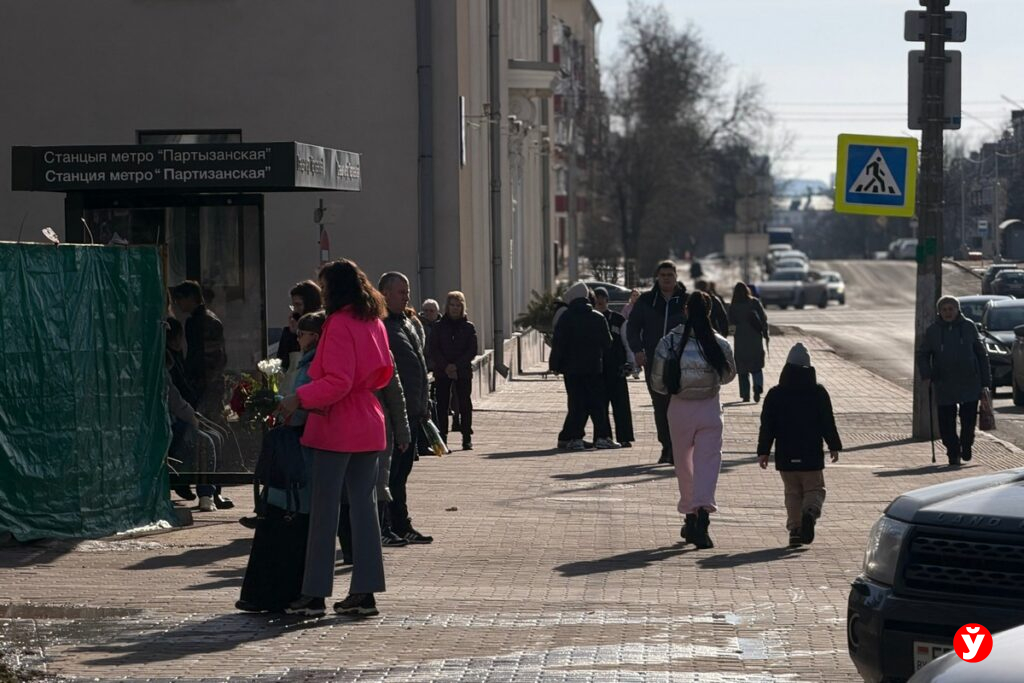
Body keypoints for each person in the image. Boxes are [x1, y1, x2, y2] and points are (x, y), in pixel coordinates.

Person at [278, 259, 393, 619]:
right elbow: (384, 372)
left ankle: (314, 594)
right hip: (369, 419)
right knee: (364, 510)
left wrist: (299, 398)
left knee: (324, 512)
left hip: (337, 424)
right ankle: (365, 591)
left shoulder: (339, 324)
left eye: (325, 286)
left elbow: (338, 381)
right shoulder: (373, 320)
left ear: (336, 289)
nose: (321, 292)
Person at [236, 311, 324, 612]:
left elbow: (302, 405)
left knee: (286, 518)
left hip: (299, 451)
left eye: (302, 333)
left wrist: (279, 406)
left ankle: (271, 593)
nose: (297, 337)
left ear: (314, 335)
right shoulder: (307, 361)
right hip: (298, 448)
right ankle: (270, 593)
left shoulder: (312, 364)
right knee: (284, 516)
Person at [650, 291, 736, 549]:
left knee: (684, 464)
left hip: (679, 409)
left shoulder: (669, 341)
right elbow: (729, 375)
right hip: (710, 408)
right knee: (708, 463)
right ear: (708, 312)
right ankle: (704, 519)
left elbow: (657, 381)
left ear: (685, 310)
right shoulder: (719, 342)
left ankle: (690, 516)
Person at [757, 342, 843, 547]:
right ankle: (810, 513)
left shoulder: (775, 394)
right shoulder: (818, 393)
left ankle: (795, 530)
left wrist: (763, 452)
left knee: (792, 493)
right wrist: (834, 445)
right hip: (811, 453)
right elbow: (827, 421)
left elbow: (767, 425)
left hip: (786, 454)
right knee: (815, 489)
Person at [378, 272, 434, 545]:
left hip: (411, 412)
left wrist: (423, 406)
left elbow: (418, 368)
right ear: (385, 293)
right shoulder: (383, 326)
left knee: (403, 473)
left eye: (407, 291)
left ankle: (401, 524)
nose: (407, 297)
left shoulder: (405, 323)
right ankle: (389, 525)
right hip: (393, 416)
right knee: (393, 474)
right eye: (401, 292)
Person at [338, 357, 412, 562]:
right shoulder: (336, 350)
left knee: (376, 486)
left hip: (376, 428)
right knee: (345, 493)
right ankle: (351, 550)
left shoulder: (381, 352)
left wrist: (402, 432)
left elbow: (396, 396)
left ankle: (371, 544)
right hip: (344, 429)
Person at [170, 280, 233, 510]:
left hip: (204, 388)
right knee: (212, 436)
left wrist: (195, 385)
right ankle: (212, 490)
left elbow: (201, 358)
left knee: (205, 437)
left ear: (190, 298)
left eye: (180, 299)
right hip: (209, 387)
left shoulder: (197, 322)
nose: (178, 305)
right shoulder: (207, 319)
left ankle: (208, 489)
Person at [915, 295, 991, 467]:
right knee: (946, 422)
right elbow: (923, 354)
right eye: (944, 310)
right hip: (944, 381)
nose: (948, 313)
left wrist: (985, 382)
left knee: (968, 419)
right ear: (939, 312)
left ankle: (966, 444)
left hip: (969, 380)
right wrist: (927, 374)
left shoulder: (968, 327)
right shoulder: (933, 330)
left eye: (951, 309)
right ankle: (953, 451)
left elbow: (981, 354)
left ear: (958, 310)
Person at [627, 261, 688, 464]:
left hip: (681, 362)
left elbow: (701, 327)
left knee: (679, 404)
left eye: (670, 274)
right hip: (654, 361)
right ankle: (667, 446)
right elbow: (633, 328)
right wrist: (637, 351)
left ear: (676, 276)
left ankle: (680, 447)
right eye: (662, 275)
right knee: (660, 405)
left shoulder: (685, 301)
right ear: (657, 277)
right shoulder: (646, 300)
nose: (667, 278)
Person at [549, 282, 617, 450]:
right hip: (593, 367)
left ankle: (575, 438)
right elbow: (607, 343)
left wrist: (555, 365)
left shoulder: (565, 317)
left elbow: (558, 344)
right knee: (597, 403)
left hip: (571, 370)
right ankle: (602, 437)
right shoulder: (598, 317)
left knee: (576, 403)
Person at [427, 292, 479, 451]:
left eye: (458, 305)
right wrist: (446, 366)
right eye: (452, 305)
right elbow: (433, 349)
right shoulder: (438, 326)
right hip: (442, 372)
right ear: (447, 307)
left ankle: (466, 437)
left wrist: (456, 365)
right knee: (442, 405)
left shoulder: (468, 327)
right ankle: (442, 438)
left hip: (462, 371)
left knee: (464, 404)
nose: (455, 309)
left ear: (462, 307)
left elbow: (472, 350)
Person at [593, 287, 635, 447]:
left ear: (607, 299)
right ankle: (603, 436)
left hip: (617, 368)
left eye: (602, 297)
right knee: (600, 405)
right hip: (598, 368)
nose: (600, 300)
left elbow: (627, 342)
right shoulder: (591, 319)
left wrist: (631, 363)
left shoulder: (618, 319)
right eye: (597, 297)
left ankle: (624, 437)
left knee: (621, 404)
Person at [728, 282, 769, 403]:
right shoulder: (754, 302)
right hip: (755, 338)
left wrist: (733, 333)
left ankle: (745, 394)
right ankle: (757, 387)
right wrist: (765, 333)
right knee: (756, 366)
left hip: (740, 340)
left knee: (742, 369)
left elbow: (730, 324)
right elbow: (763, 318)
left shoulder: (733, 306)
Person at [276, 280, 323, 372]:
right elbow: (283, 362)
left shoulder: (323, 327)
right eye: (293, 306)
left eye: (299, 305)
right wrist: (292, 334)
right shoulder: (289, 332)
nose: (296, 310)